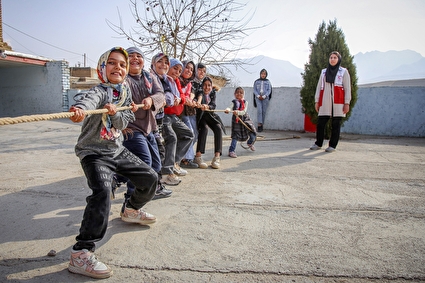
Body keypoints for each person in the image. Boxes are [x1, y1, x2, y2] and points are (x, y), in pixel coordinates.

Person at [67, 47, 157, 279]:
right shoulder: (99, 90)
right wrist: (81, 111)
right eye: (112, 63)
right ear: (102, 67)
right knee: (103, 193)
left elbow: (122, 122)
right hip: (94, 153)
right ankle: (81, 253)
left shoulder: (125, 94)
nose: (118, 67)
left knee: (150, 178)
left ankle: (131, 208)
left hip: (116, 150)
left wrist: (116, 113)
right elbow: (90, 101)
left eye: (122, 65)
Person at [114, 46, 172, 215]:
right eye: (130, 56)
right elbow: (116, 96)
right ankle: (130, 205)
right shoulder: (122, 79)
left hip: (149, 127)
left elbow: (161, 94)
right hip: (130, 128)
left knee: (155, 165)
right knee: (143, 164)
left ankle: (117, 179)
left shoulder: (149, 77)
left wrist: (151, 99)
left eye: (139, 56)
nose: (135, 59)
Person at [310, 51, 351, 153]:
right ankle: (318, 143)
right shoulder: (324, 72)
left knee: (336, 124)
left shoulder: (343, 72)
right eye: (331, 57)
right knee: (321, 123)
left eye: (335, 58)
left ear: (338, 59)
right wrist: (317, 101)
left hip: (338, 102)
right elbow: (319, 87)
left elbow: (347, 88)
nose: (332, 59)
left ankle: (332, 145)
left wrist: (347, 103)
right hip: (325, 101)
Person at [161, 58, 194, 184]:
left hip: (174, 116)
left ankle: (174, 162)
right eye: (175, 68)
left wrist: (180, 99)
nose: (177, 72)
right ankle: (166, 172)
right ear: (168, 67)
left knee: (189, 134)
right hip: (163, 115)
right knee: (171, 138)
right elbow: (167, 97)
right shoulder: (163, 80)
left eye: (179, 70)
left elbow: (182, 97)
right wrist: (175, 99)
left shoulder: (176, 82)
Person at [194, 76, 226, 169]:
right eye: (205, 85)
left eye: (209, 85)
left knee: (218, 128)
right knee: (204, 128)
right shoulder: (199, 92)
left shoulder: (212, 93)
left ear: (211, 86)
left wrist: (207, 107)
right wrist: (198, 104)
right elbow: (197, 100)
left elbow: (213, 105)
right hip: (201, 116)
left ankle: (217, 157)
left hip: (210, 115)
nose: (207, 87)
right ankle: (198, 156)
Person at [179, 60, 201, 169]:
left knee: (193, 133)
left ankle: (185, 158)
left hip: (185, 111)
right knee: (189, 133)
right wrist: (185, 99)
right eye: (187, 67)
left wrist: (190, 100)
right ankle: (185, 159)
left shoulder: (189, 83)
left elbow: (189, 95)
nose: (189, 71)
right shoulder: (176, 80)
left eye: (192, 69)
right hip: (175, 112)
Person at [224, 87, 257, 158]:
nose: (239, 94)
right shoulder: (233, 102)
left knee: (252, 131)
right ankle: (231, 151)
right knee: (235, 136)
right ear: (234, 94)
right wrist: (227, 110)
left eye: (241, 93)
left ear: (243, 94)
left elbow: (244, 111)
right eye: (237, 92)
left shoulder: (245, 102)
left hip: (245, 119)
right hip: (236, 121)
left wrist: (238, 112)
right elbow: (229, 107)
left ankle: (250, 142)